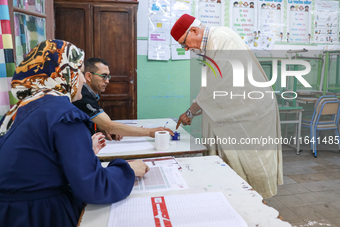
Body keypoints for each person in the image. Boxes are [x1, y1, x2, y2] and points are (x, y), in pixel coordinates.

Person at [0, 39, 149, 227]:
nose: (80, 78)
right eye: (77, 71)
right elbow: (93, 187)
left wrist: (83, 152)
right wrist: (128, 170)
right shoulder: (64, 113)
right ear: (64, 73)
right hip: (42, 214)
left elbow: (35, 162)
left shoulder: (19, 109)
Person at [170, 14, 283, 199]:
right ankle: (235, 196)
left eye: (185, 43)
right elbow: (211, 87)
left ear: (194, 31)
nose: (186, 48)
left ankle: (254, 201)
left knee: (253, 159)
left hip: (252, 111)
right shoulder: (213, 43)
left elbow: (215, 86)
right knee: (232, 156)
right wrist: (191, 111)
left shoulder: (221, 39)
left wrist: (190, 112)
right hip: (241, 108)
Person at [73, 57, 173, 140]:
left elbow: (95, 122)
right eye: (104, 76)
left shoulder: (89, 93)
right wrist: (150, 132)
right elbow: (109, 125)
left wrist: (101, 129)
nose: (107, 81)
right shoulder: (82, 95)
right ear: (89, 76)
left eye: (108, 77)